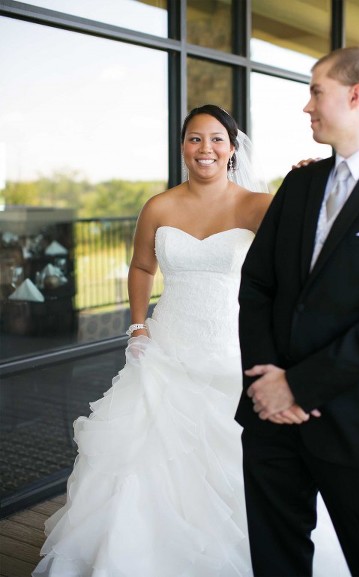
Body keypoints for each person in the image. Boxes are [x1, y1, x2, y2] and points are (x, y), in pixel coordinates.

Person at [33, 104, 271, 576]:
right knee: (144, 459)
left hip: (230, 350)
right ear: (183, 146)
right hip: (165, 349)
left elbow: (282, 276)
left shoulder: (258, 206)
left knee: (233, 459)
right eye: (195, 139)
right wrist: (138, 327)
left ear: (232, 147)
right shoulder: (159, 206)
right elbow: (143, 267)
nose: (206, 149)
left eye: (216, 139)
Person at [237, 46, 359, 576]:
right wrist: (267, 378)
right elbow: (257, 284)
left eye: (315, 90)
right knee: (276, 560)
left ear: (356, 94)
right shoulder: (299, 183)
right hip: (268, 416)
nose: (307, 106)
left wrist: (299, 386)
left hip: (356, 418)